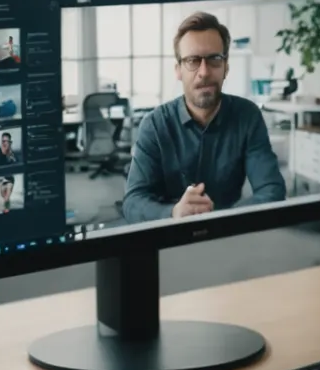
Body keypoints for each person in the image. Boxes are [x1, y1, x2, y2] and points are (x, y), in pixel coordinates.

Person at [120, 12, 286, 225]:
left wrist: (222, 219)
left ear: (226, 67)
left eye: (214, 59)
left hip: (229, 233)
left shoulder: (247, 116)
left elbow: (271, 189)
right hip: (167, 234)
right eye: (192, 61)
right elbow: (133, 201)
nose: (204, 72)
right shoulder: (154, 124)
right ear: (178, 70)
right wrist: (174, 213)